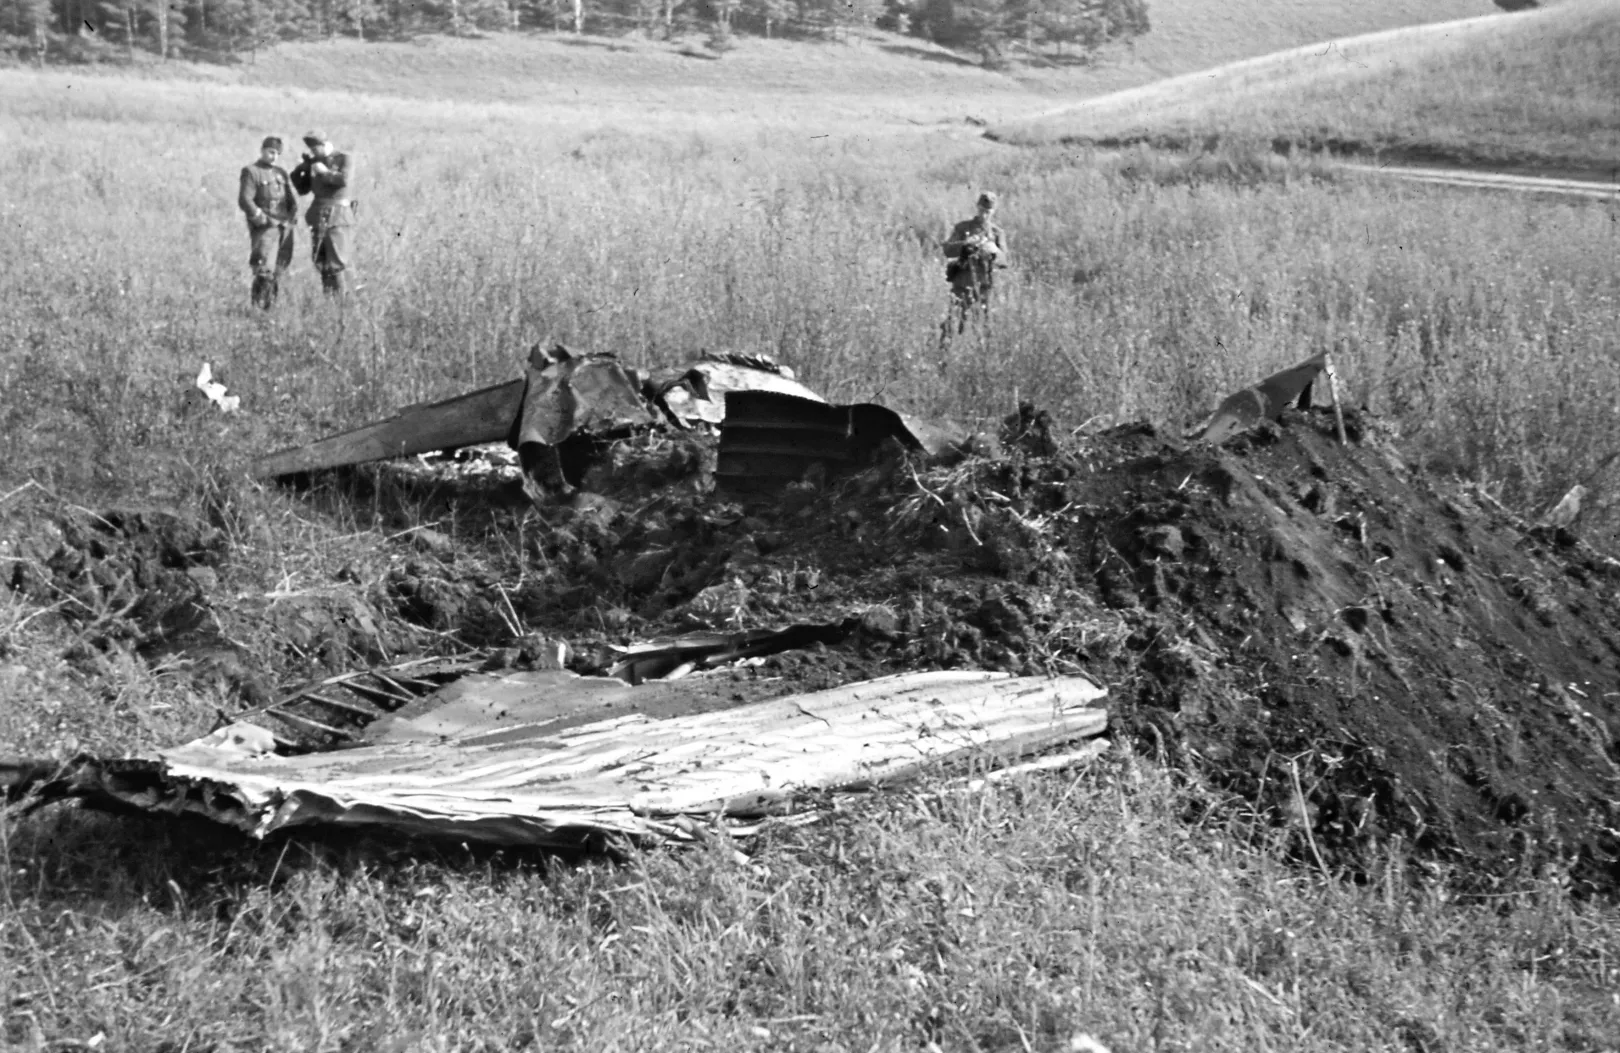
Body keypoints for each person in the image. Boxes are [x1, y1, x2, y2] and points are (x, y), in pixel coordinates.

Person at [289, 130, 356, 296]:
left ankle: (342, 303)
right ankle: (329, 302)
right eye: (311, 149)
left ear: (324, 144)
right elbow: (302, 189)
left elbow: (343, 180)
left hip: (338, 216)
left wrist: (324, 172)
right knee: (321, 260)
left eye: (315, 148)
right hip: (318, 216)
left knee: (337, 261)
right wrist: (302, 169)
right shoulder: (314, 162)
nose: (313, 152)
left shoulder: (343, 158)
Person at [237, 136, 298, 310]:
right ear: (262, 150)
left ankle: (270, 308)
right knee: (263, 268)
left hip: (284, 227)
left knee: (279, 269)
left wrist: (292, 218)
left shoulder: (281, 172)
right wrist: (260, 218)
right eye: (271, 152)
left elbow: (289, 198)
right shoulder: (251, 171)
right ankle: (257, 308)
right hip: (265, 228)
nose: (274, 157)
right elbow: (245, 200)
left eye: (277, 153)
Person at [942, 190, 1007, 337]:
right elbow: (947, 250)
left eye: (988, 211)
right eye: (982, 210)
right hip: (962, 284)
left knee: (983, 327)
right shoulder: (962, 228)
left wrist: (993, 251)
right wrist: (965, 245)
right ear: (977, 207)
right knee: (953, 325)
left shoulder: (997, 233)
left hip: (984, 287)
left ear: (993, 211)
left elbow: (1004, 262)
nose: (984, 214)